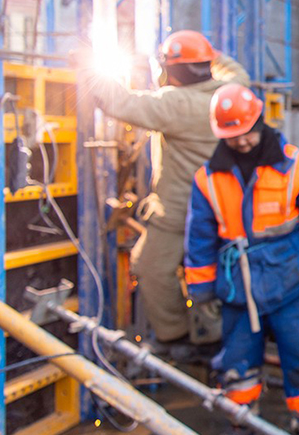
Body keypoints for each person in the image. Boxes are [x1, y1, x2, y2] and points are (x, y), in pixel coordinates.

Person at [184, 84, 299, 435]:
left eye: (247, 132)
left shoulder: (294, 165)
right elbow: (200, 237)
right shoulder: (208, 178)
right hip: (237, 285)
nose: (241, 142)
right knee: (237, 359)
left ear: (260, 120)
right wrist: (201, 287)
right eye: (233, 136)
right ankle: (241, 424)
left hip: (289, 279)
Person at [76, 31, 249, 353]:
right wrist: (209, 54)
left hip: (179, 211)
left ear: (169, 71)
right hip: (225, 208)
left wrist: (87, 69)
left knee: (150, 267)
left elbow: (120, 102)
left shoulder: (176, 103)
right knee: (216, 273)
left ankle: (178, 336)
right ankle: (216, 334)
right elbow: (235, 70)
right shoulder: (230, 91)